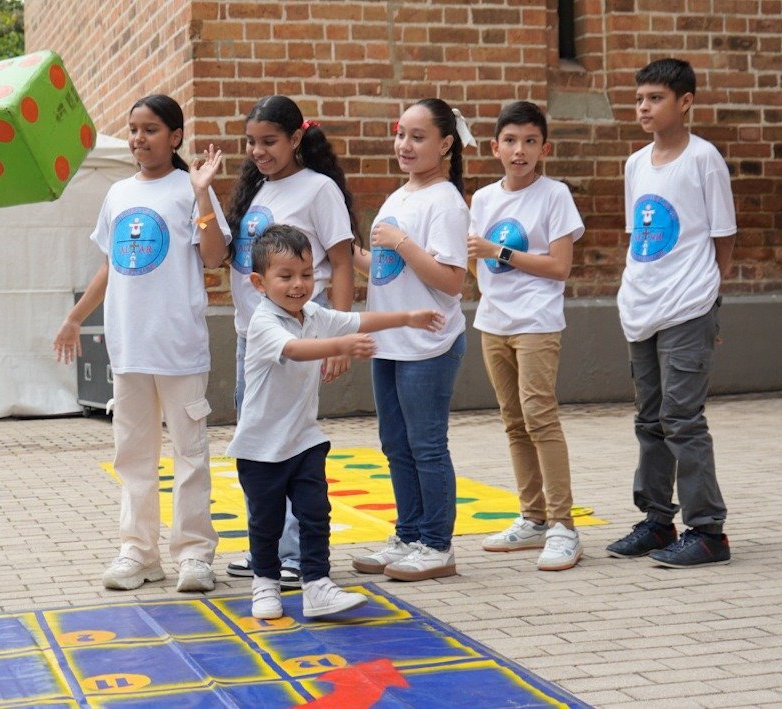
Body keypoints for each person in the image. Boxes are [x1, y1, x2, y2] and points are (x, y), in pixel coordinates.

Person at [53, 94, 231, 591]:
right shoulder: (116, 194)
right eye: (133, 129)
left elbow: (215, 256)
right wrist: (73, 319)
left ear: (175, 137)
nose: (138, 138)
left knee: (190, 454)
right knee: (132, 455)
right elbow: (110, 267)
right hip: (128, 348)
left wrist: (201, 195)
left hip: (180, 347)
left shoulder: (190, 189)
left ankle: (195, 555)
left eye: (150, 129)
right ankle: (139, 552)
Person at [228, 225, 444, 619]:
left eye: (307, 275)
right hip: (260, 448)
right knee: (267, 522)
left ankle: (316, 585)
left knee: (315, 513)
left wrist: (408, 317)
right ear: (259, 282)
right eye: (286, 276)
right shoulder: (262, 322)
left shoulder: (313, 314)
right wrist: (339, 347)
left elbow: (358, 321)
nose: (298, 285)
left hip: (305, 441)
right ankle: (265, 584)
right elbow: (295, 350)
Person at [224, 95, 359, 589]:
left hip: (297, 337)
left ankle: (296, 554)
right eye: (252, 143)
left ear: (297, 138)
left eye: (270, 142)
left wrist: (341, 339)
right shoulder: (255, 190)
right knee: (261, 446)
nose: (258, 151)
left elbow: (341, 261)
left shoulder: (318, 189)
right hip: (252, 337)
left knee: (292, 445)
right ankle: (269, 549)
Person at [605, 58, 736, 568]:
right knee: (649, 420)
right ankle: (658, 522)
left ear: (685, 102)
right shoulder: (636, 163)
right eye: (639, 99)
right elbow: (640, 237)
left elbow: (722, 237)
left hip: (688, 305)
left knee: (682, 419)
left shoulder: (704, 160)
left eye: (655, 98)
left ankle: (708, 532)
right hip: (642, 305)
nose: (643, 107)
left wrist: (709, 301)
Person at [350, 98, 472, 582]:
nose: (405, 144)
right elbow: (385, 270)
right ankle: (408, 533)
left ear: (446, 144)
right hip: (390, 340)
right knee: (395, 444)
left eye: (418, 137)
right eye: (401, 133)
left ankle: (437, 545)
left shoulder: (444, 201)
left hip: (429, 344)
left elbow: (450, 280)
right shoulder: (400, 196)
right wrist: (345, 252)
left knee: (425, 445)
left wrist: (400, 242)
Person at [467, 101, 586, 571]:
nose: (520, 151)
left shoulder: (554, 195)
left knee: (540, 417)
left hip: (537, 321)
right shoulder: (482, 199)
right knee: (513, 421)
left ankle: (563, 526)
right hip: (493, 322)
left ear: (544, 148)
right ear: (496, 147)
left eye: (530, 142)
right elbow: (475, 260)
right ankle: (532, 518)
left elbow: (559, 266)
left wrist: (501, 251)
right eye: (511, 141)